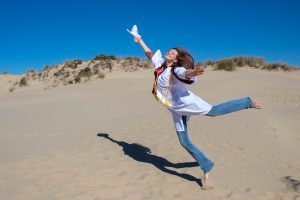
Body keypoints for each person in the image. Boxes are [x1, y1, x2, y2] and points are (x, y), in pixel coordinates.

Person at [127, 25, 262, 190]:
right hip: (175, 109)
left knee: (213, 112)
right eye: (169, 51)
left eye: (173, 53)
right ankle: (207, 163)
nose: (169, 52)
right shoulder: (161, 65)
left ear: (176, 59)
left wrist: (192, 73)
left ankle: (247, 102)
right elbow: (149, 54)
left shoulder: (176, 70)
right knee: (184, 141)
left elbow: (184, 74)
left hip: (186, 103)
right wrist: (139, 39)